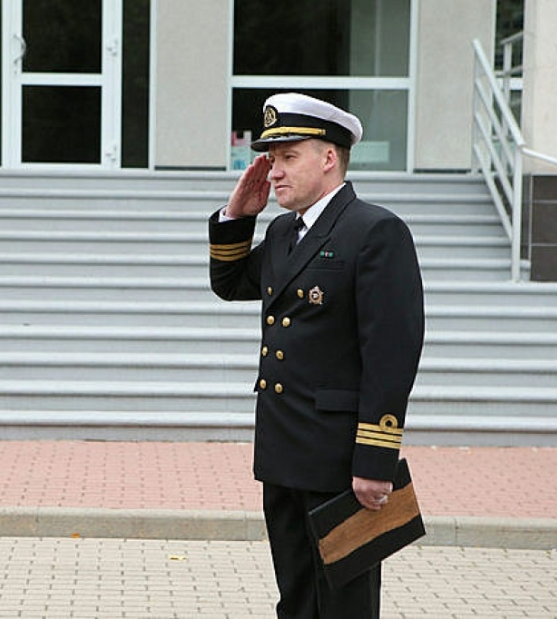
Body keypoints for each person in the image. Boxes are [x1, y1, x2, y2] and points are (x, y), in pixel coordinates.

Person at [208, 93, 424, 618]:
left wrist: (375, 460)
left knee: (345, 605)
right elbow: (231, 283)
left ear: (329, 158)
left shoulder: (374, 231)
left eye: (288, 158)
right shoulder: (285, 230)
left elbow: (391, 355)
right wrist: (237, 216)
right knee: (297, 601)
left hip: (338, 461)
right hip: (284, 452)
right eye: (271, 159)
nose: (274, 172)